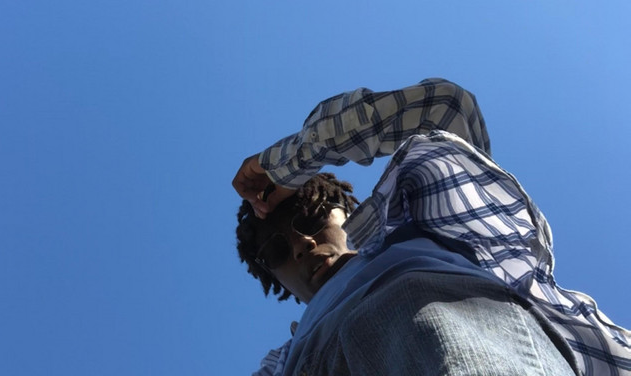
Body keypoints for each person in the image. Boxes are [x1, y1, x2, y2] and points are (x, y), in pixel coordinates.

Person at [233, 78, 631, 376]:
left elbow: (446, 108)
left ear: (344, 211)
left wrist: (289, 163)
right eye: (277, 251)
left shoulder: (426, 225)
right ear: (274, 278)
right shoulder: (280, 361)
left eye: (312, 218)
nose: (302, 244)